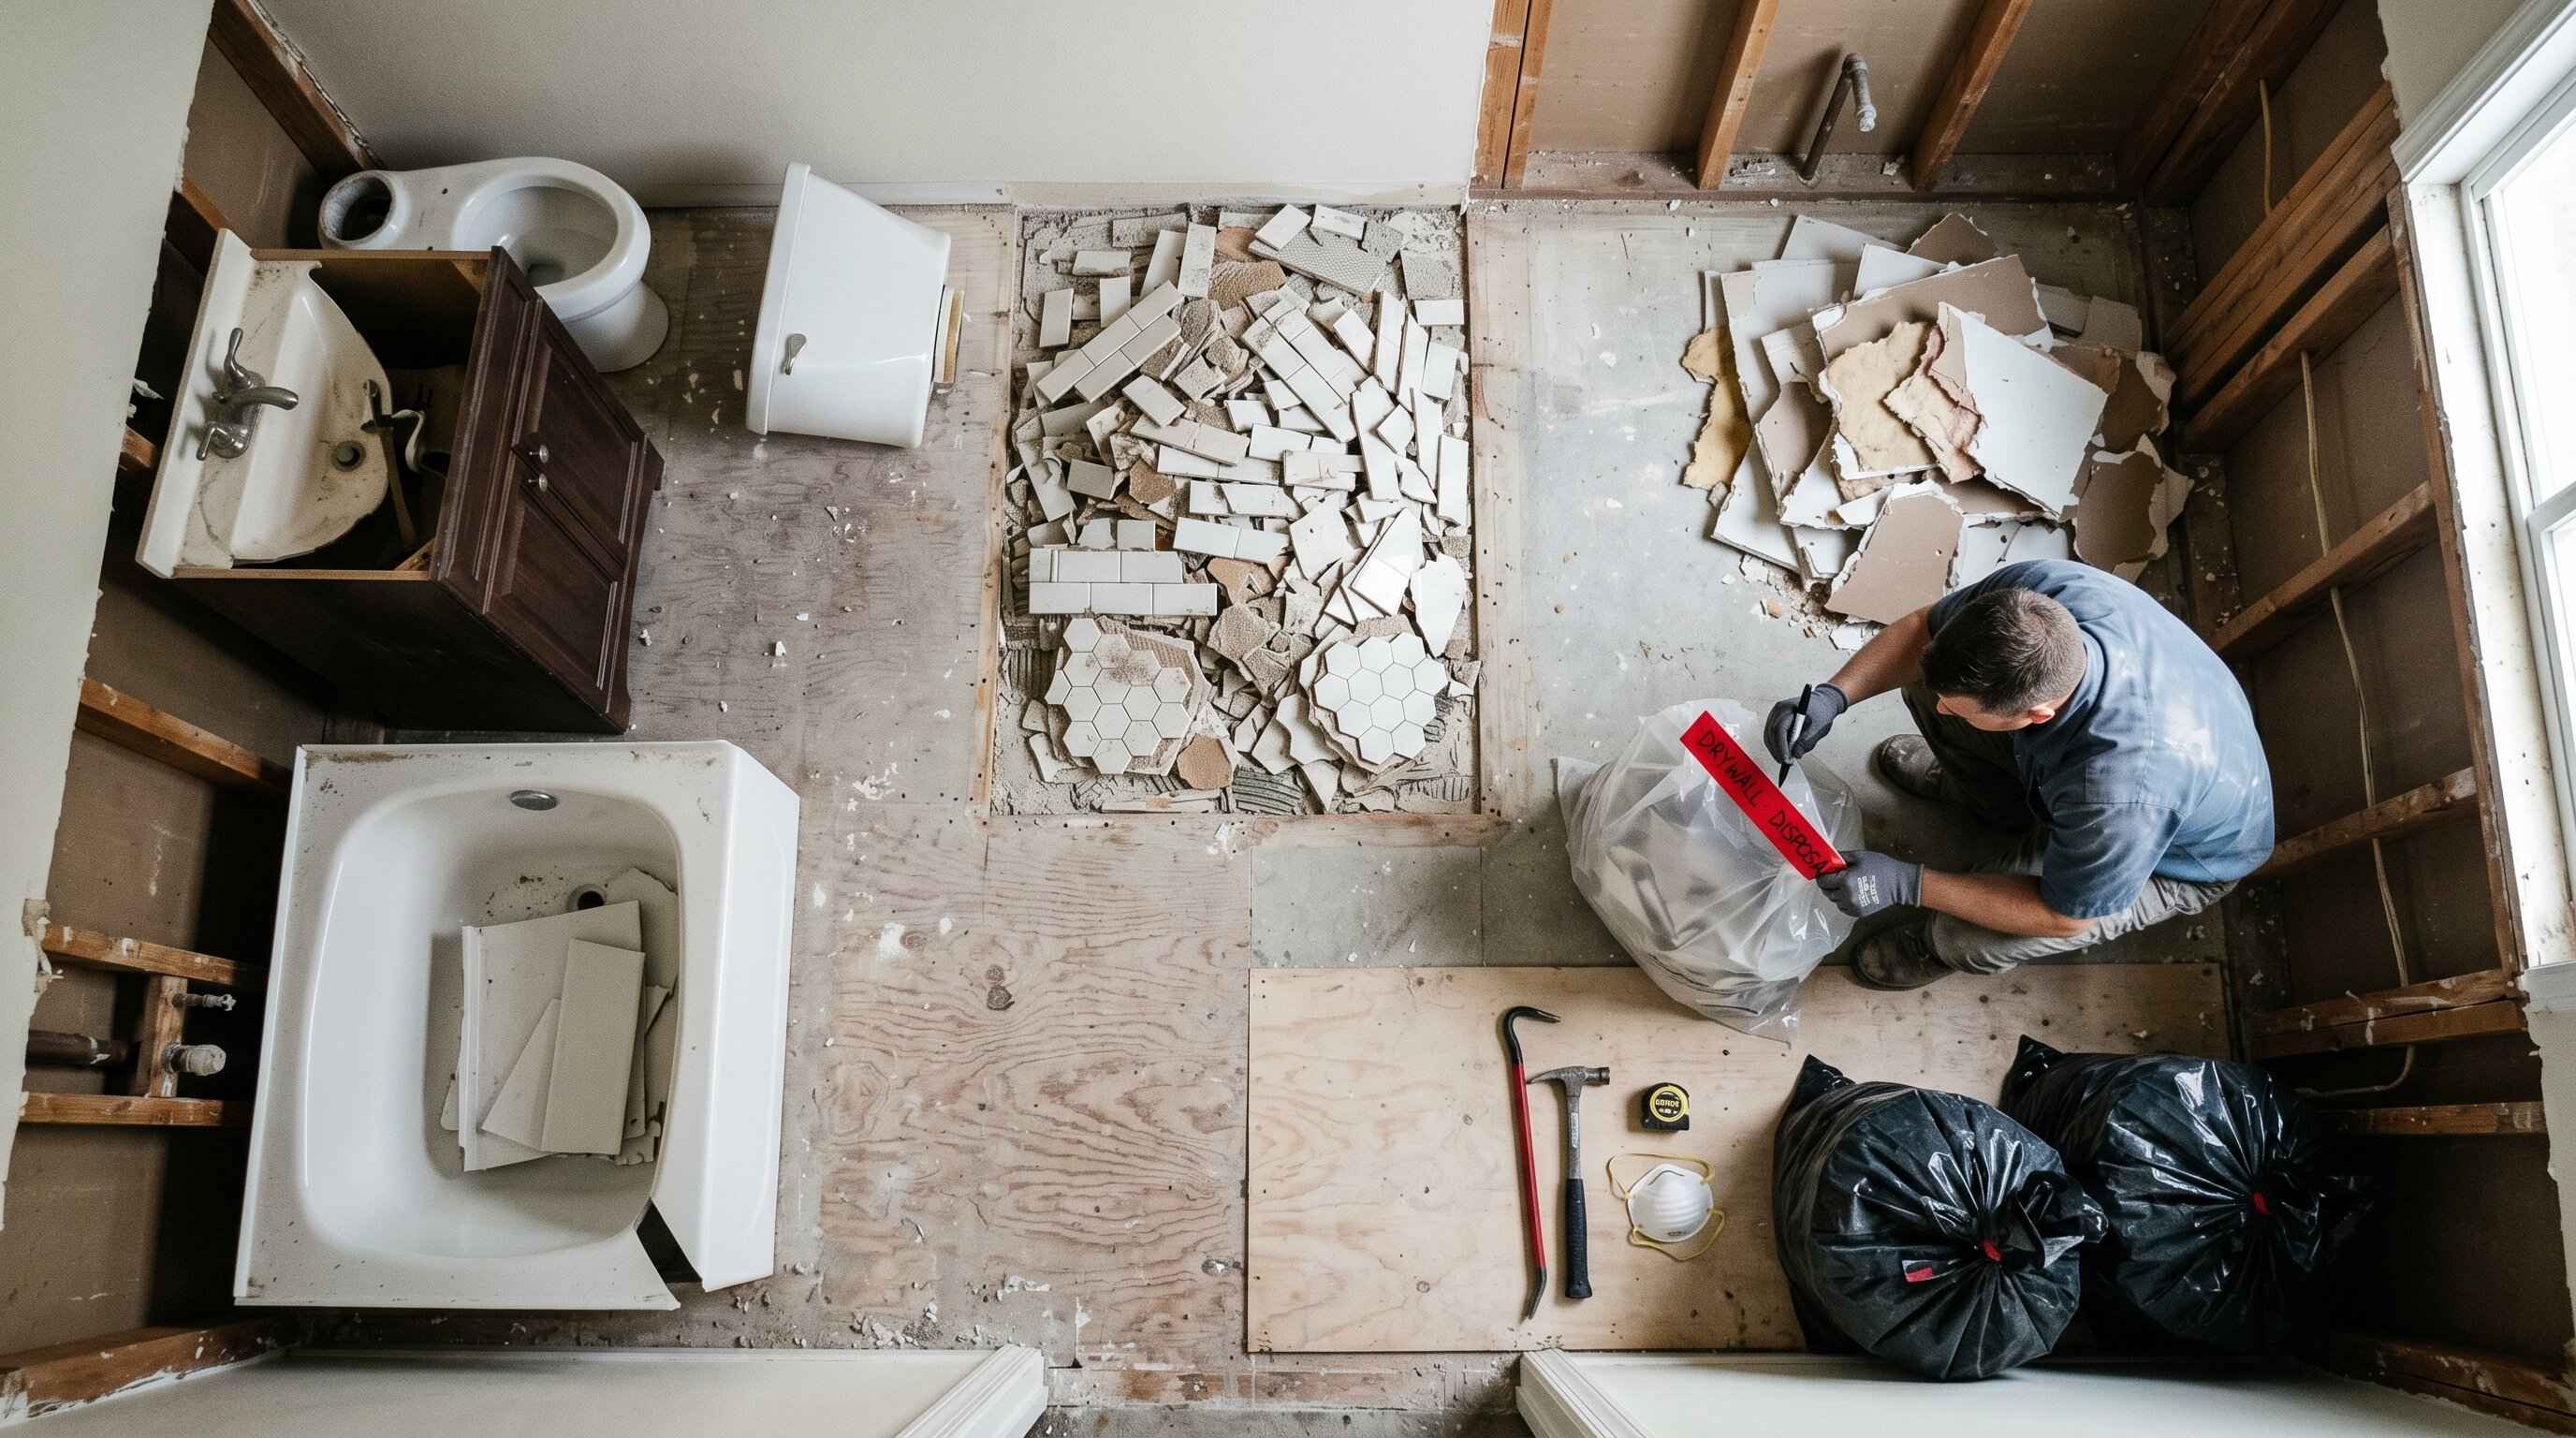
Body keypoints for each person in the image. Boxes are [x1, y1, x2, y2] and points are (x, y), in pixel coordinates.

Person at [1763, 558, 2273, 990]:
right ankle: (1989, 802)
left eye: (1959, 709)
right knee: (1925, 681)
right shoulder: (2044, 595)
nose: (1941, 711)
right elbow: (1922, 629)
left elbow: (2064, 917)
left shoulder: (2119, 791)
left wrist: (1907, 884)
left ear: (2037, 714)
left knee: (1970, 937)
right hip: (2129, 773)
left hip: (2175, 859)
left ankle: (1933, 946)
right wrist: (1833, 696)